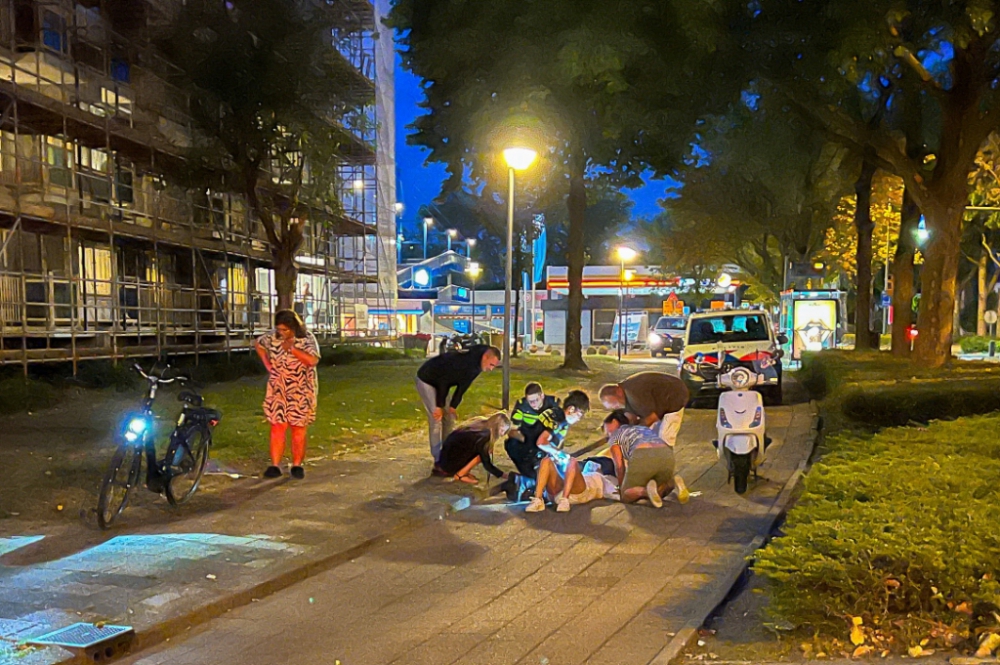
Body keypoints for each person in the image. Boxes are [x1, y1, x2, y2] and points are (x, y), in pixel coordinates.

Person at [415, 344, 502, 474]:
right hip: (427, 379)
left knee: (449, 419)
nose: (491, 369)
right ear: (485, 357)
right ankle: (438, 462)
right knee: (436, 420)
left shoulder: (477, 367)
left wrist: (452, 406)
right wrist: (439, 406)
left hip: (441, 383)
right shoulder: (465, 363)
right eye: (491, 365)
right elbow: (443, 381)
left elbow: (463, 386)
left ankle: (446, 454)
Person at [255, 310, 321, 480]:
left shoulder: (306, 339)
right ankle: (275, 465)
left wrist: (292, 350)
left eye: (285, 330)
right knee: (277, 425)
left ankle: (297, 464)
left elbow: (312, 360)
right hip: (278, 388)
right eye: (279, 329)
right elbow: (259, 344)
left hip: (301, 390)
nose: (281, 333)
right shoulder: (272, 338)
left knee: (298, 427)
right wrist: (268, 364)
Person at [603, 410, 689, 508]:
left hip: (643, 455)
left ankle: (645, 492)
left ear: (614, 421)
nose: (606, 435)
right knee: (659, 490)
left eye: (606, 430)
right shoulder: (640, 428)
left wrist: (621, 488)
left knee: (626, 495)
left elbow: (619, 467)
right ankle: (672, 482)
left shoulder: (615, 436)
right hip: (667, 453)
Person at [599, 371, 689, 447]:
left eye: (615, 404)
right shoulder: (624, 397)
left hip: (675, 395)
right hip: (656, 402)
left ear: (618, 392)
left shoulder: (634, 395)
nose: (616, 408)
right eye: (613, 407)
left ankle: (664, 460)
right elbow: (631, 419)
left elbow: (652, 418)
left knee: (664, 436)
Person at [435, 412, 511, 485]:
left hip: (444, 459)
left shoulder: (481, 424)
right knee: (480, 456)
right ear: (496, 426)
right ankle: (460, 475)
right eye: (502, 431)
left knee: (479, 451)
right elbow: (486, 462)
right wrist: (502, 475)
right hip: (448, 465)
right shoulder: (484, 436)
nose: (502, 434)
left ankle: (463, 471)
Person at [524, 454, 615, 513]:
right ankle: (538, 499)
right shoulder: (590, 473)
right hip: (564, 491)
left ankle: (563, 499)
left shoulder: (600, 477)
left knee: (572, 461)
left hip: (579, 493)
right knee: (547, 460)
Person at [505, 382, 559, 478]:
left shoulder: (553, 404)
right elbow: (512, 428)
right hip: (527, 436)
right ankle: (527, 474)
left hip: (546, 436)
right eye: (530, 401)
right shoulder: (522, 406)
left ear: (542, 396)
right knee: (511, 444)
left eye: (536, 400)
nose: (533, 404)